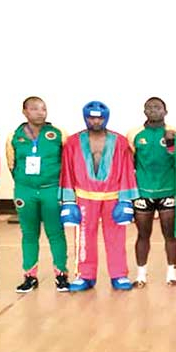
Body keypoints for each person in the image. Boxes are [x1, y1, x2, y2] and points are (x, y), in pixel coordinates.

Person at [60, 101, 139, 292]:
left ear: (106, 117)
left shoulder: (120, 141)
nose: (95, 121)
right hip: (85, 197)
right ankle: (85, 275)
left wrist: (126, 200)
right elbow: (67, 171)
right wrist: (68, 201)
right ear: (85, 117)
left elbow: (128, 170)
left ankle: (119, 274)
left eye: (99, 117)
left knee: (117, 238)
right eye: (91, 117)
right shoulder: (72, 142)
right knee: (84, 238)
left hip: (113, 197)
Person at [7, 96, 70, 292]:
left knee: (56, 233)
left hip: (51, 189)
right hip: (25, 191)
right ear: (24, 112)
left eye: (43, 108)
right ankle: (29, 276)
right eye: (34, 108)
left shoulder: (59, 134)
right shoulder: (13, 136)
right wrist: (24, 184)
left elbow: (67, 162)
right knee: (29, 233)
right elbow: (11, 164)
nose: (40, 112)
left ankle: (61, 275)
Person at [127, 97, 176, 287]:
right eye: (149, 107)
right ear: (144, 111)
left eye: (157, 107)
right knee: (143, 235)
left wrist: (172, 144)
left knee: (170, 235)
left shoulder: (174, 133)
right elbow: (128, 163)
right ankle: (141, 275)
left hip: (168, 190)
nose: (153, 110)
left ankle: (172, 274)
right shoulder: (134, 134)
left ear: (165, 111)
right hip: (143, 191)